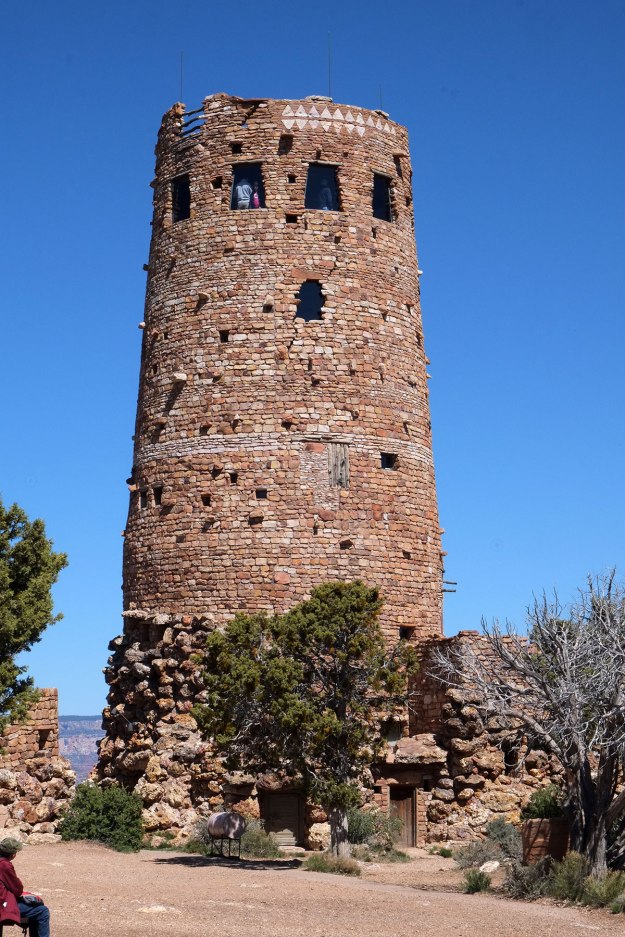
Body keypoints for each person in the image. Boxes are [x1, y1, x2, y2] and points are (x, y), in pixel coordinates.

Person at [0, 838, 50, 937]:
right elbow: (17, 889)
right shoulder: (4, 865)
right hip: (2, 905)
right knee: (42, 911)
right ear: (13, 854)